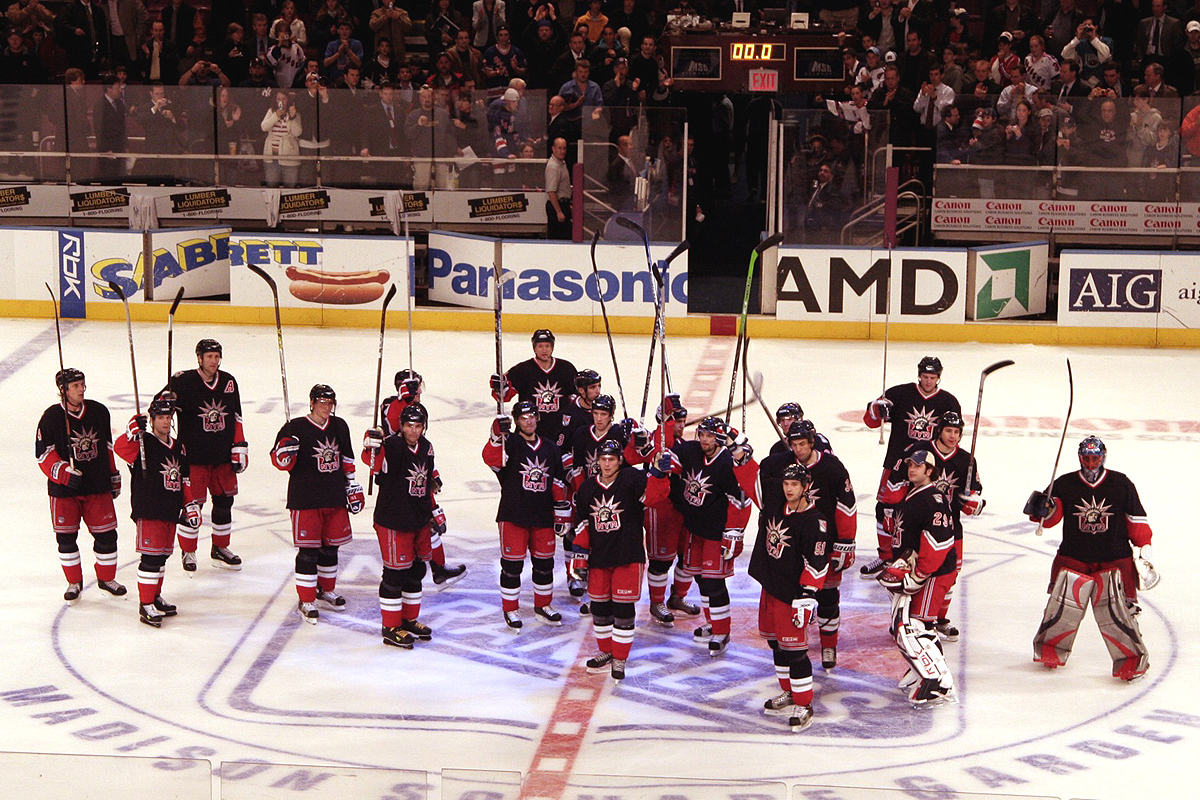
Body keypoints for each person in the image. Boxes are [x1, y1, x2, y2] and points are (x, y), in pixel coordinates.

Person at [1026, 437, 1153, 681]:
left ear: (1103, 457)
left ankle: (1132, 661)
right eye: (1087, 458)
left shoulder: (1120, 483)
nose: (1091, 463)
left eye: (1095, 458)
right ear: (1079, 457)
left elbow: (1135, 517)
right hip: (1074, 556)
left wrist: (1144, 543)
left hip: (1115, 559)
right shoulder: (1064, 483)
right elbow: (1050, 518)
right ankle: (1050, 651)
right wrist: (1044, 508)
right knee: (1061, 608)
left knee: (1121, 613)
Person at [758, 421, 857, 670]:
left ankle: (828, 645)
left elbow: (846, 505)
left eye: (802, 444)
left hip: (824, 542)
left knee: (827, 596)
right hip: (790, 545)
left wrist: (845, 542)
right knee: (792, 597)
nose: (798, 449)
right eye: (794, 444)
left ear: (812, 442)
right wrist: (741, 455)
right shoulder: (782, 464)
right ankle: (792, 644)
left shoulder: (832, 466)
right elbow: (761, 483)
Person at [739, 461, 829, 731]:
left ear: (806, 488)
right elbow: (752, 483)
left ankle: (804, 703)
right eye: (786, 484)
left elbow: (818, 561)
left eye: (794, 485)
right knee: (776, 645)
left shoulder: (816, 523)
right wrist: (740, 454)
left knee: (796, 652)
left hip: (793, 595)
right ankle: (789, 691)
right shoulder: (776, 504)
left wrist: (808, 594)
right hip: (771, 587)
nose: (788, 489)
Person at [571, 438, 671, 681]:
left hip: (628, 555)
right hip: (599, 558)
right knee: (601, 608)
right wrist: (581, 557)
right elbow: (583, 524)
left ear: (619, 461)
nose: (606, 464)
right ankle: (607, 652)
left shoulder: (632, 480)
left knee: (623, 609)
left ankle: (620, 657)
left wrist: (659, 474)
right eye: (603, 459)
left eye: (611, 459)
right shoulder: (586, 488)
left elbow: (653, 497)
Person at [878, 411, 981, 643]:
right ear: (939, 431)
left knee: (948, 574)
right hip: (919, 524)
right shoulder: (920, 451)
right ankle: (910, 618)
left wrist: (972, 503)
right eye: (948, 431)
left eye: (957, 432)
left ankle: (936, 618)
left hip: (949, 526)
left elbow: (975, 498)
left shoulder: (966, 460)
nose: (953, 436)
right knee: (913, 570)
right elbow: (897, 481)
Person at [861, 356, 961, 578]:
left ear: (939, 377)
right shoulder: (898, 394)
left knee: (923, 512)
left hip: (928, 469)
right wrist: (877, 408)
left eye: (932, 377)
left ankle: (916, 558)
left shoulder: (948, 402)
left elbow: (953, 438)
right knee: (885, 510)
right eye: (925, 377)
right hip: (897, 464)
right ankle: (886, 556)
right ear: (919, 375)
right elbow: (870, 421)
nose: (928, 381)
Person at [269, 385, 362, 624]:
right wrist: (285, 453)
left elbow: (347, 458)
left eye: (330, 403)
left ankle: (325, 590)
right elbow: (279, 461)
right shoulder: (295, 428)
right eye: (322, 402)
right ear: (311, 402)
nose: (327, 407)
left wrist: (351, 484)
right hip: (305, 499)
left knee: (331, 548)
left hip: (334, 497)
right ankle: (306, 599)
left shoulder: (340, 425)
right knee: (309, 552)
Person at [36, 369, 126, 603]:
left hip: (97, 485)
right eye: (75, 386)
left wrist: (113, 475)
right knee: (66, 539)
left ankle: (106, 579)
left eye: (82, 384)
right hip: (65, 491)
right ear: (63, 390)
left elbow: (107, 446)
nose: (81, 389)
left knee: (107, 536)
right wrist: (63, 472)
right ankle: (74, 582)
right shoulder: (51, 417)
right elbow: (43, 454)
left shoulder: (98, 411)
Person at [877, 449, 958, 704]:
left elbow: (939, 542)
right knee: (911, 624)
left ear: (929, 471)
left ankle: (939, 682)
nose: (913, 469)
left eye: (919, 466)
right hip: (919, 570)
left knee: (917, 625)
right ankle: (921, 671)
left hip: (934, 572)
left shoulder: (932, 499)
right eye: (911, 465)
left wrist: (920, 573)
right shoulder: (912, 494)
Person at [482, 400, 571, 630]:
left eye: (532, 416)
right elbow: (491, 459)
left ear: (537, 418)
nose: (529, 421)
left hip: (542, 516)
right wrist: (495, 436)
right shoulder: (509, 443)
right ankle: (510, 609)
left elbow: (558, 482)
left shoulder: (550, 447)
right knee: (512, 567)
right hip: (514, 514)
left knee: (544, 564)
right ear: (516, 421)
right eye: (523, 418)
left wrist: (561, 510)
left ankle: (543, 605)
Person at [113, 397, 200, 628]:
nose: (165, 421)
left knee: (161, 557)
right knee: (150, 558)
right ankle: (145, 603)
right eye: (160, 417)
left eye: (168, 417)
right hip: (149, 509)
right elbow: (120, 448)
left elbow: (184, 479)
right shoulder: (142, 443)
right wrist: (131, 431)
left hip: (170, 510)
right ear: (151, 420)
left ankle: (155, 597)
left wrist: (189, 504)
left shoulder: (178, 446)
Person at [361, 402, 443, 648]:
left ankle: (408, 619)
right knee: (395, 574)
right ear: (401, 426)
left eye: (418, 426)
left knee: (416, 571)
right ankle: (390, 626)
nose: (414, 431)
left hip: (418, 519)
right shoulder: (392, 446)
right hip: (393, 519)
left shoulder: (426, 447)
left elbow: (427, 481)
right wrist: (370, 445)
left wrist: (433, 510)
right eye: (409, 425)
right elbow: (374, 463)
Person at [379, 369, 467, 588]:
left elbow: (423, 448)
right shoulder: (391, 405)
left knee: (430, 520)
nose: (418, 392)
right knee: (418, 520)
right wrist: (403, 398)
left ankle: (436, 567)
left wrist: (432, 473)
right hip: (396, 470)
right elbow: (392, 424)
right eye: (414, 387)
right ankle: (411, 569)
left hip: (415, 470)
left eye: (418, 387)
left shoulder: (418, 411)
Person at [672, 416, 753, 656]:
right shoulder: (691, 450)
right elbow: (672, 460)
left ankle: (722, 630)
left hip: (716, 532)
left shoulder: (727, 463)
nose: (704, 440)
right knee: (700, 579)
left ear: (719, 439)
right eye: (702, 435)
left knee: (714, 582)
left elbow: (742, 499)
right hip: (694, 527)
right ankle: (712, 622)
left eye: (709, 436)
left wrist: (733, 533)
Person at [166, 339, 247, 572]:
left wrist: (239, 445)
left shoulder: (229, 381)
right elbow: (159, 409)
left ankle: (220, 548)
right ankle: (189, 550)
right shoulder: (183, 381)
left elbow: (236, 416)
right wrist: (167, 402)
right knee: (193, 506)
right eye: (209, 356)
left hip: (222, 458)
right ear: (199, 358)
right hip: (194, 458)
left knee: (224, 503)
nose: (214, 361)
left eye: (217, 356)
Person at [491, 328, 578, 444]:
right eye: (540, 346)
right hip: (529, 429)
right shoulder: (522, 370)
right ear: (534, 348)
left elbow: (577, 399)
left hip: (559, 430)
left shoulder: (566, 368)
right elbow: (503, 397)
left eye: (547, 346)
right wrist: (499, 385)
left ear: (552, 347)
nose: (544, 350)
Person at [545, 136, 572, 239]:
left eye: (564, 148)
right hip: (556, 206)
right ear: (553, 149)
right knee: (558, 237)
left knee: (566, 236)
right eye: (559, 148)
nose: (562, 151)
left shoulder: (562, 163)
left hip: (563, 204)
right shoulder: (553, 166)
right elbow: (551, 191)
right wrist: (559, 211)